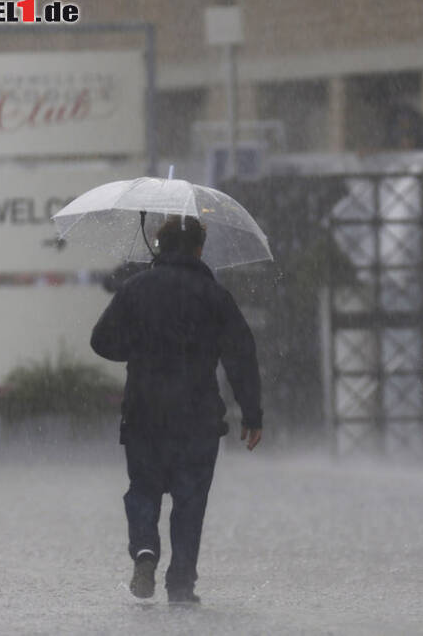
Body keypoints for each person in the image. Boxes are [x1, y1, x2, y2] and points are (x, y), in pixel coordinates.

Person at [91, 215, 263, 604]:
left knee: (143, 488)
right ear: (200, 249)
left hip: (143, 413)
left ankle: (145, 550)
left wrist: (135, 347)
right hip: (197, 416)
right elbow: (241, 355)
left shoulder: (134, 289)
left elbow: (101, 340)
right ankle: (181, 583)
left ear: (158, 244)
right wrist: (252, 414)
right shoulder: (214, 295)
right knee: (190, 500)